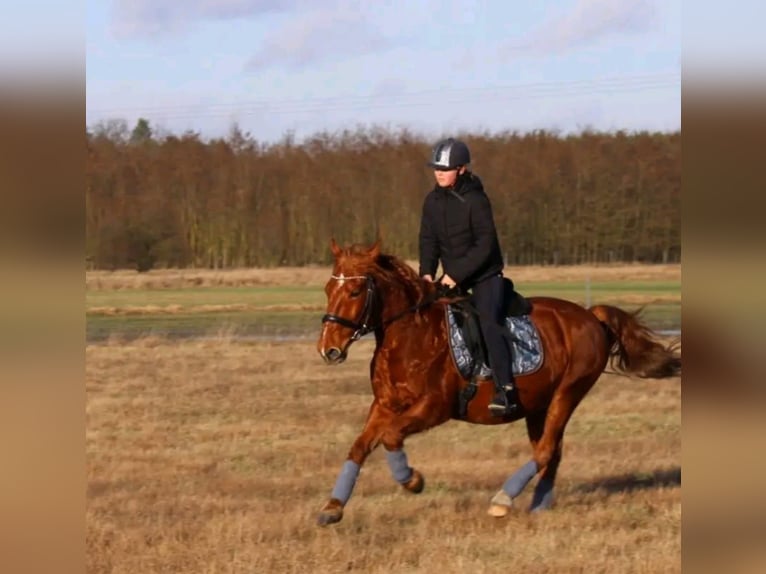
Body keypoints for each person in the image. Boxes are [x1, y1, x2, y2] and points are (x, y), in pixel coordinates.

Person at [418, 137, 520, 417]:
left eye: (445, 168)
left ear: (461, 169)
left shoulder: (476, 200)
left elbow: (485, 245)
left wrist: (454, 275)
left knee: (488, 323)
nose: (439, 172)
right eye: (436, 167)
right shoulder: (431, 201)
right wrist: (427, 273)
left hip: (485, 278)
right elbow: (428, 241)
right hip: (451, 279)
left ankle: (505, 390)